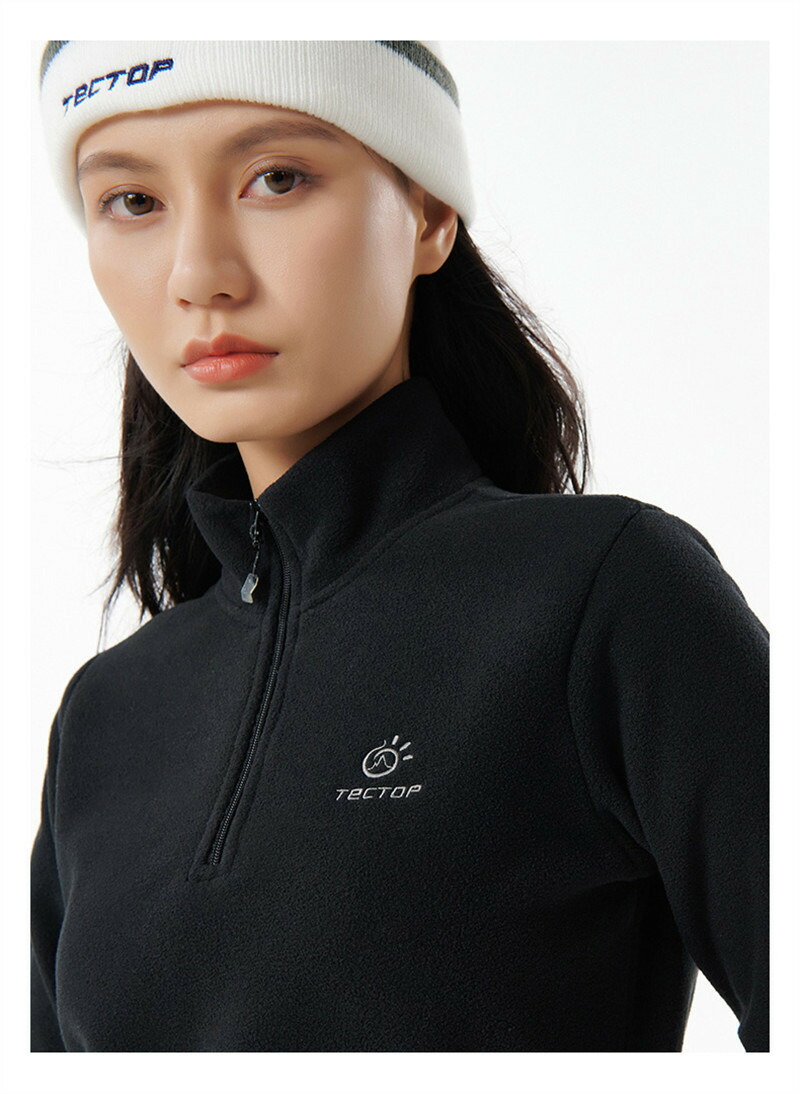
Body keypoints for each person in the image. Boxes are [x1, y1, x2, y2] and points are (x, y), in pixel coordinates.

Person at [31, 39, 769, 1053]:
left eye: (276, 178)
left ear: (427, 215)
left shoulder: (605, 596)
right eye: (132, 201)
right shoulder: (106, 717)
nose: (200, 275)